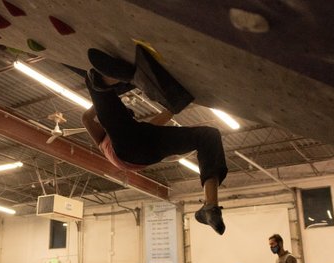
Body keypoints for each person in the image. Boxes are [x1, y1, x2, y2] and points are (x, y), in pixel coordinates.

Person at [82, 48, 228, 235]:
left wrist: (177, 103)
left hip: (146, 152)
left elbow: (156, 123)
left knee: (208, 136)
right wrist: (106, 99)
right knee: (93, 80)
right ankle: (121, 80)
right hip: (134, 152)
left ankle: (210, 208)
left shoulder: (120, 135)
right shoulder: (107, 137)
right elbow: (86, 118)